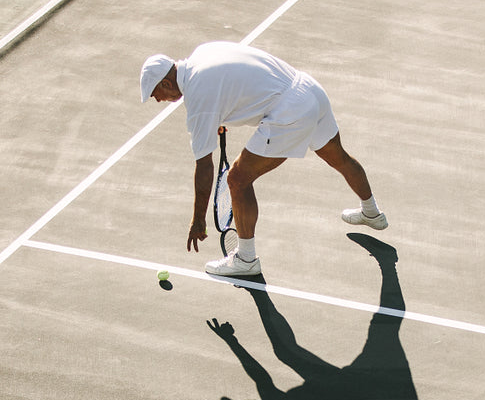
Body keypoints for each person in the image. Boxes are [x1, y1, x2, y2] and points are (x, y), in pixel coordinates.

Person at [139, 42, 386, 276]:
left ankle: (246, 260)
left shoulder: (198, 97)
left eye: (154, 93)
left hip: (289, 112)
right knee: (338, 157)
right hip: (309, 89)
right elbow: (232, 80)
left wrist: (198, 220)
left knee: (237, 180)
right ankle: (372, 212)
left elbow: (204, 166)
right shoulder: (202, 54)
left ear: (166, 83)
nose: (157, 100)